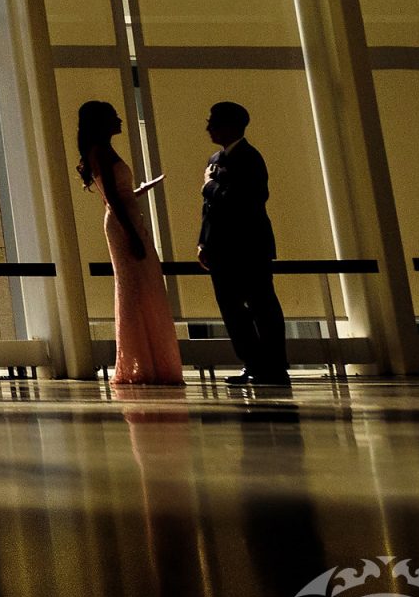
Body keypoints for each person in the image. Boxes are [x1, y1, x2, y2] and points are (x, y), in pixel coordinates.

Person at [79, 100, 181, 387]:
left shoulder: (102, 151)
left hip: (127, 220)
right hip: (124, 225)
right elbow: (111, 197)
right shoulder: (100, 151)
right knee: (136, 288)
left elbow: (116, 196)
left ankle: (149, 359)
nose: (120, 119)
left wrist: (138, 192)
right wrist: (133, 236)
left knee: (141, 287)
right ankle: (143, 360)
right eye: (113, 116)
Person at [197, 100, 287, 388]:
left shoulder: (250, 158)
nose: (208, 127)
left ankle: (273, 365)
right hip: (221, 249)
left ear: (232, 125)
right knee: (233, 310)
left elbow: (245, 200)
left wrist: (209, 186)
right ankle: (253, 362)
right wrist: (204, 242)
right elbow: (209, 209)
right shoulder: (215, 159)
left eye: (213, 121)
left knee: (261, 306)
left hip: (248, 247)